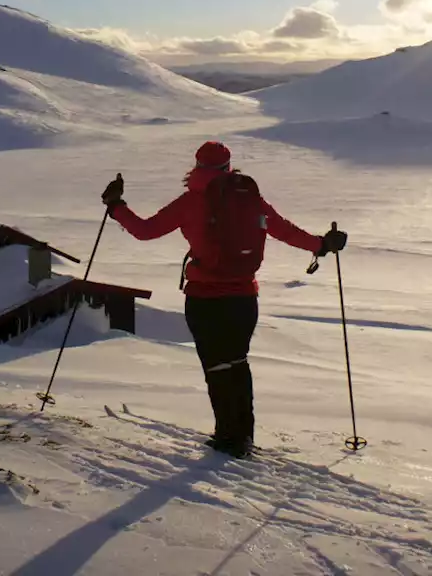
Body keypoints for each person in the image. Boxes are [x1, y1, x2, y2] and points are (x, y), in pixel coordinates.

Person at [100, 140, 347, 459]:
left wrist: (116, 205)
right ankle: (241, 436)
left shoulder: (191, 201)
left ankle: (228, 438)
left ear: (198, 166)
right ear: (229, 166)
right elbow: (284, 230)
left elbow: (146, 231)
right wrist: (321, 244)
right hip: (245, 298)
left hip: (205, 299)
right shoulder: (250, 199)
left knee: (217, 367)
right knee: (237, 364)